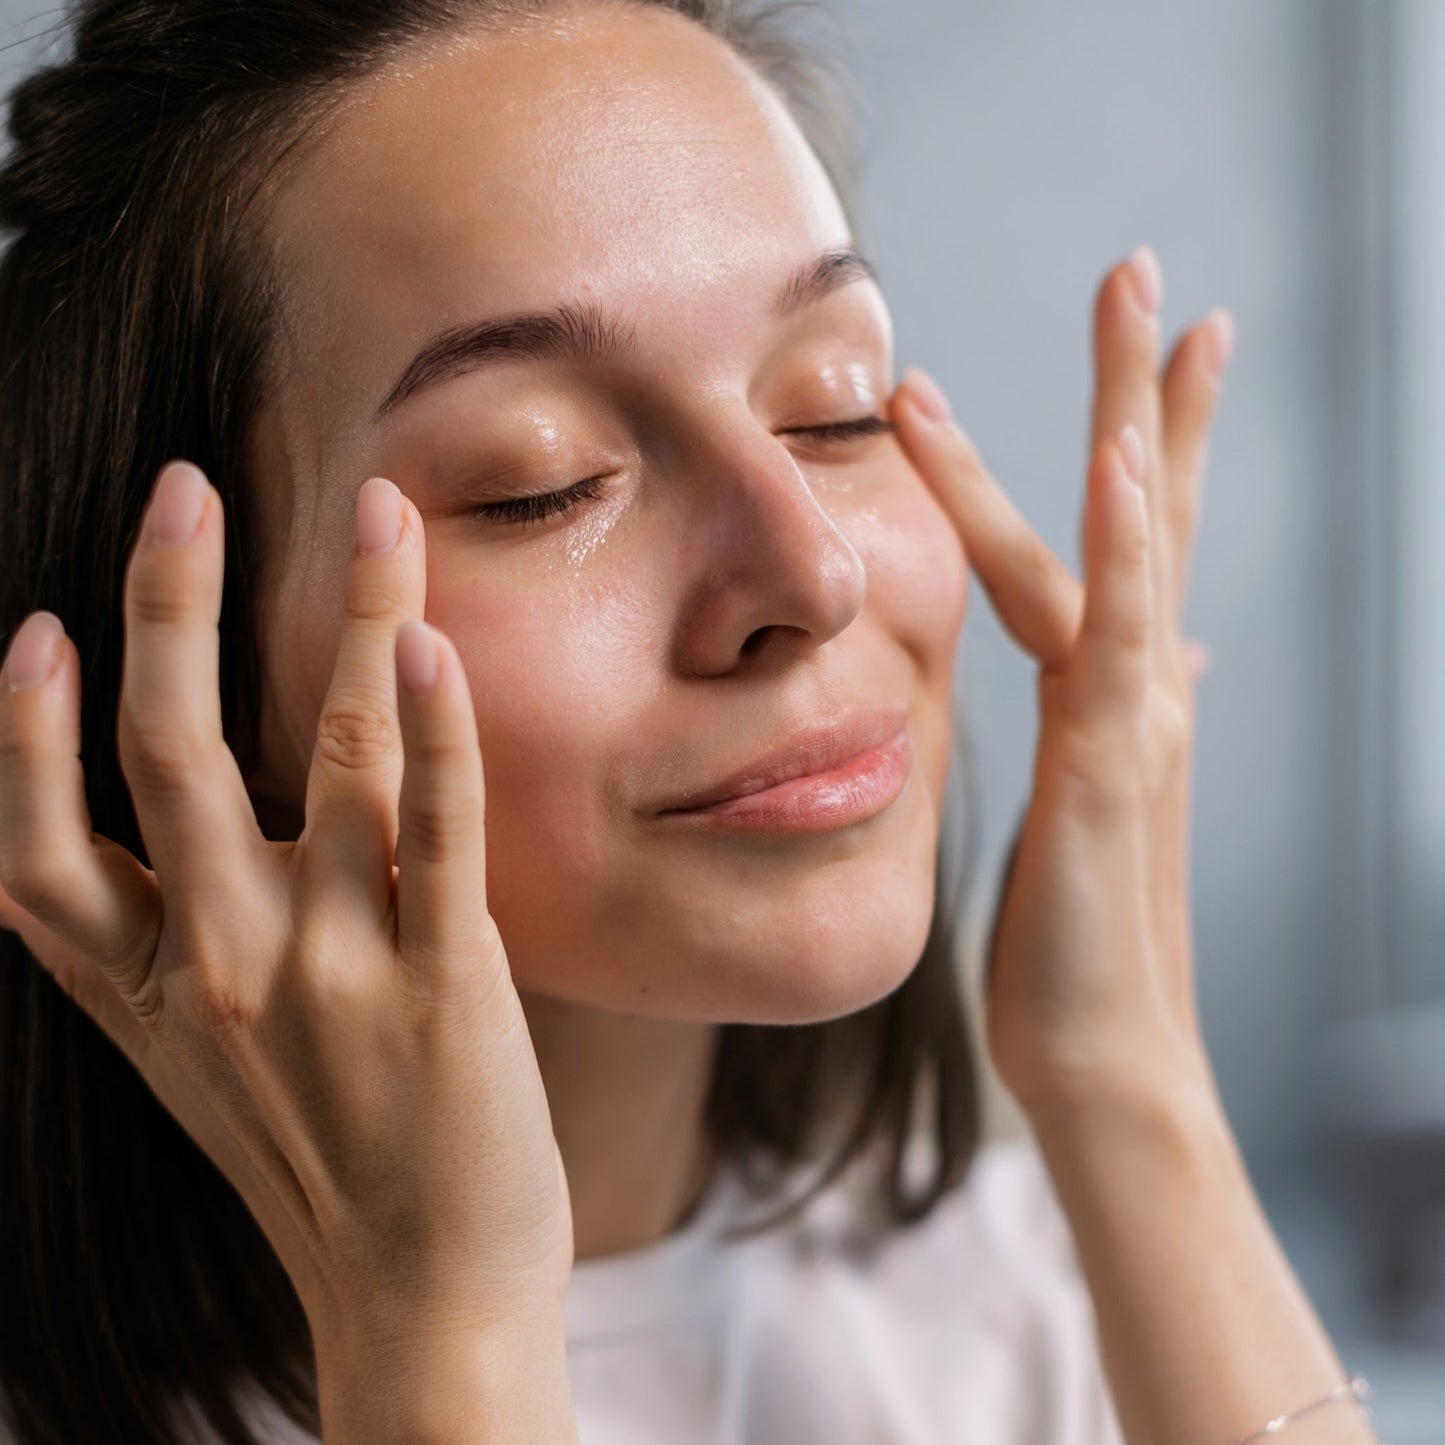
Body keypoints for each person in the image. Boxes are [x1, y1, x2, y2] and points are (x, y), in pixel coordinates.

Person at [0, 2, 1380, 1442]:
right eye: (541, 478)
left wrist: (1128, 1077)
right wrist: (438, 1325)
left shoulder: (1044, 1299)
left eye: (832, 408)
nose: (812, 575)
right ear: (194, 685)